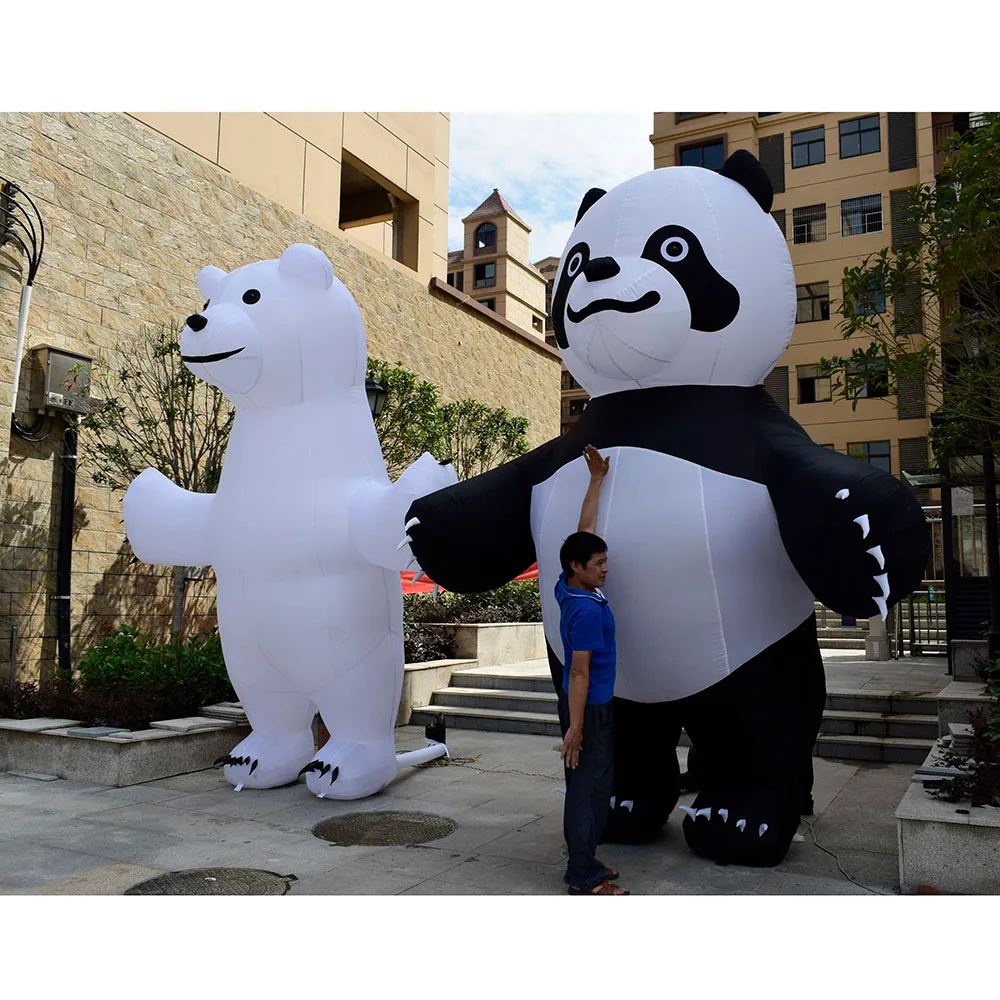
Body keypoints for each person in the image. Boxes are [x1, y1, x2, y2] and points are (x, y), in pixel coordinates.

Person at [556, 444, 628, 895]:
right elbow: (579, 673)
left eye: (604, 561)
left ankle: (590, 861)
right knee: (586, 791)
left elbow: (583, 532)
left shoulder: (570, 584)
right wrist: (576, 729)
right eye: (598, 564)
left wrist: (596, 480)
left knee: (596, 787)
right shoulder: (584, 611)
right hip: (590, 707)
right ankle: (582, 876)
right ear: (577, 568)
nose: (605, 569)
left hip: (593, 704)